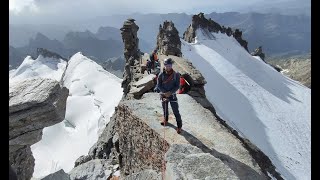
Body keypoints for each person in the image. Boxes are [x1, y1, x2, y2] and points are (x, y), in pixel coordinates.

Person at [157, 58, 182, 134]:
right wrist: (165, 93)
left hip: (172, 95)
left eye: (170, 65)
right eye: (167, 65)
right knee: (165, 109)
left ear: (171, 65)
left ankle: (179, 126)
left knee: (175, 111)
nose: (168, 67)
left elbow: (177, 86)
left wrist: (170, 92)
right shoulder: (161, 74)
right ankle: (166, 120)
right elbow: (159, 85)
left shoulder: (176, 74)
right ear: (164, 65)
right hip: (164, 94)